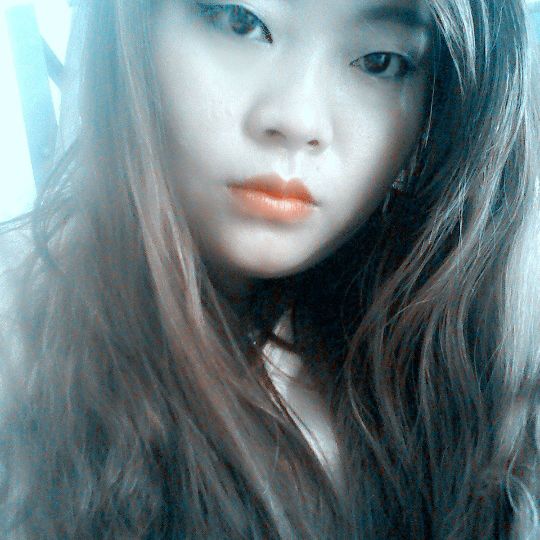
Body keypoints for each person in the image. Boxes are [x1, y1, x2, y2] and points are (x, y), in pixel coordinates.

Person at [0, 0, 539, 537]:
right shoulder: (22, 349)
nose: (298, 121)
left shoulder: (469, 360)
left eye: (380, 62)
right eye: (241, 23)